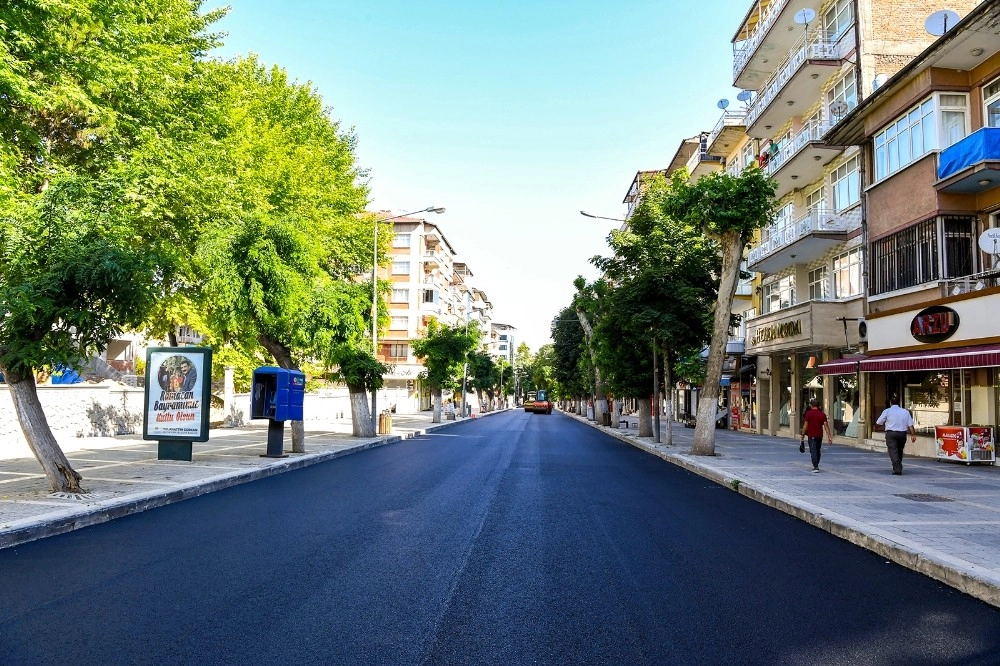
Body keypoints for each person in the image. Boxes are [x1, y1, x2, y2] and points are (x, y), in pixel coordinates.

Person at [876, 395, 916, 475]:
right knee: (900, 450)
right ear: (899, 403)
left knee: (893, 450)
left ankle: (897, 468)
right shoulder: (905, 412)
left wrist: (876, 427)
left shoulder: (887, 411)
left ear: (890, 403)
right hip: (902, 434)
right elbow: (910, 425)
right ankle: (898, 466)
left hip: (891, 434)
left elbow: (878, 422)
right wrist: (913, 435)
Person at [800, 398, 833, 473]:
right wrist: (829, 436)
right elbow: (826, 426)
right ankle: (816, 463)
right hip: (819, 435)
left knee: (813, 450)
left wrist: (803, 434)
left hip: (811, 435)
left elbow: (805, 425)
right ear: (818, 406)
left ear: (811, 405)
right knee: (818, 449)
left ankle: (815, 466)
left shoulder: (809, 413)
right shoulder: (822, 415)